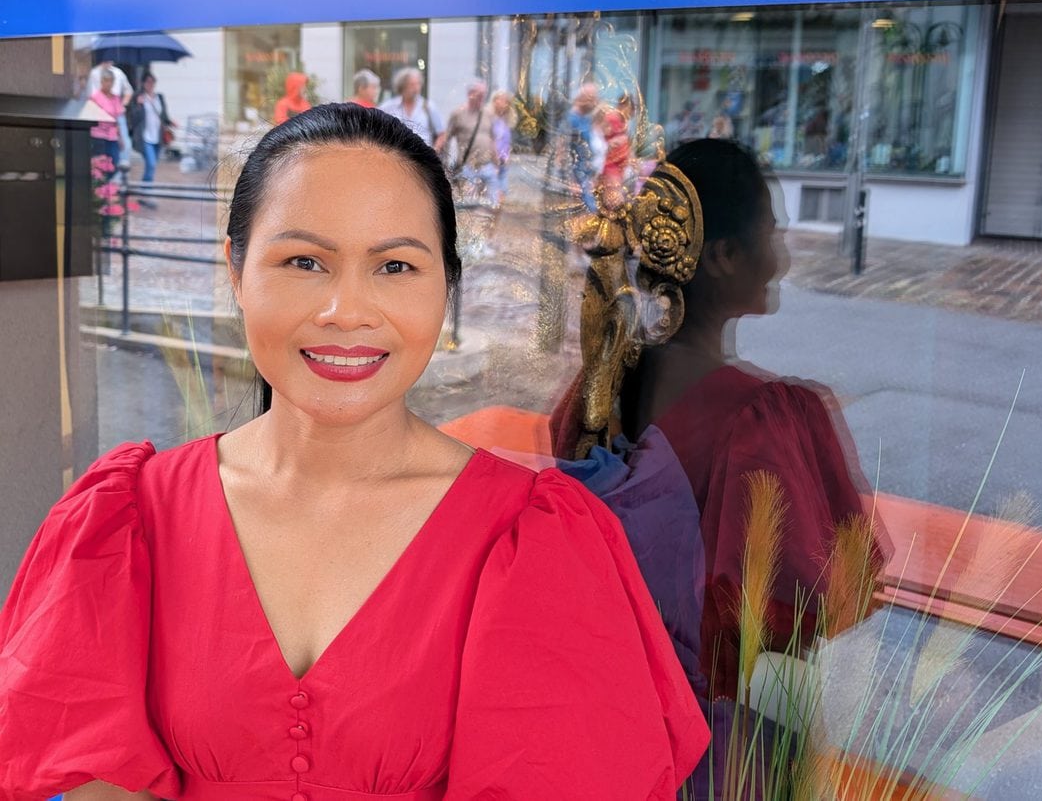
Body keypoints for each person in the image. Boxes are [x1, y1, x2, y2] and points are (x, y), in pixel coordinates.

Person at [0, 103, 709, 800]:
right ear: (236, 270)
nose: (346, 312)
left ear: (447, 285)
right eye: (304, 261)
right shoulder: (131, 518)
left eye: (395, 266)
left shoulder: (534, 543)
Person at [550, 139, 889, 798]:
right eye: (772, 235)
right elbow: (829, 601)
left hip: (612, 723)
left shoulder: (599, 388)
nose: (782, 258)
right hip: (715, 749)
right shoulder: (764, 419)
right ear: (724, 256)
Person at [438, 79, 501, 206]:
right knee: (468, 207)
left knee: (494, 205)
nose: (482, 98)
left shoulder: (488, 114)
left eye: (484, 94)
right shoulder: (458, 114)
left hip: (488, 167)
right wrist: (442, 162)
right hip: (468, 168)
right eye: (479, 94)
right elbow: (446, 139)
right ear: (470, 94)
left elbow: (492, 140)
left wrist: (496, 164)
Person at [128, 71, 175, 205]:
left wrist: (171, 122)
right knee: (151, 164)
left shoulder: (159, 97)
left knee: (151, 167)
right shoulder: (138, 97)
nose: (150, 84)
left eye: (152, 82)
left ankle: (143, 192)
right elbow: (133, 118)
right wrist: (139, 105)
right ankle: (147, 194)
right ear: (143, 83)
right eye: (148, 82)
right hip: (145, 137)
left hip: (158, 138)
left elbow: (163, 115)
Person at [381, 67, 444, 148]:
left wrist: (434, 152)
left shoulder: (428, 106)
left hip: (423, 154)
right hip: (397, 153)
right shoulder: (388, 107)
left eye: (418, 84)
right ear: (402, 86)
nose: (416, 88)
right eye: (412, 85)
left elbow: (441, 134)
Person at [87, 59, 134, 167]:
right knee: (99, 162)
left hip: (112, 133)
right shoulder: (95, 94)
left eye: (110, 81)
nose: (108, 84)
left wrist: (120, 136)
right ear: (102, 82)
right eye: (106, 81)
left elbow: (128, 92)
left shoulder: (115, 96)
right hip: (98, 133)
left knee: (114, 161)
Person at [564, 82, 602, 212]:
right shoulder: (571, 120)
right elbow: (563, 150)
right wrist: (570, 180)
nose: (595, 102)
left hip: (586, 176)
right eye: (592, 98)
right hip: (576, 178)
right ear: (583, 98)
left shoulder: (586, 118)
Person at [489, 89, 515, 204]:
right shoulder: (489, 119)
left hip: (503, 161)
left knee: (502, 191)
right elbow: (490, 139)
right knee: (494, 193)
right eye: (502, 100)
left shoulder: (505, 120)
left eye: (507, 102)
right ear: (495, 101)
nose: (505, 104)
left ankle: (497, 213)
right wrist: (494, 157)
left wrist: (507, 155)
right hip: (492, 161)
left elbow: (506, 141)